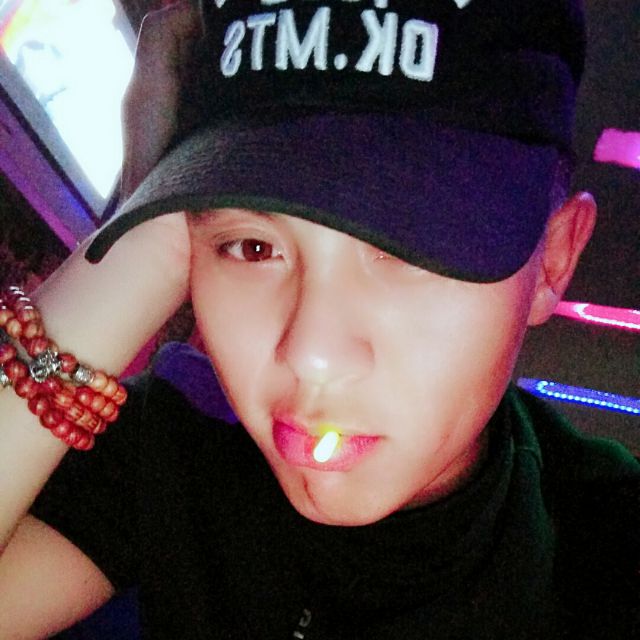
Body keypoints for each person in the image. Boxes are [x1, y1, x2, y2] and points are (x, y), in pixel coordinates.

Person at [0, 1, 638, 638]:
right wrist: (143, 225)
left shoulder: (610, 542)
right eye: (251, 247)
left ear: (552, 261)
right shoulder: (174, 440)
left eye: (411, 247)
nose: (312, 354)